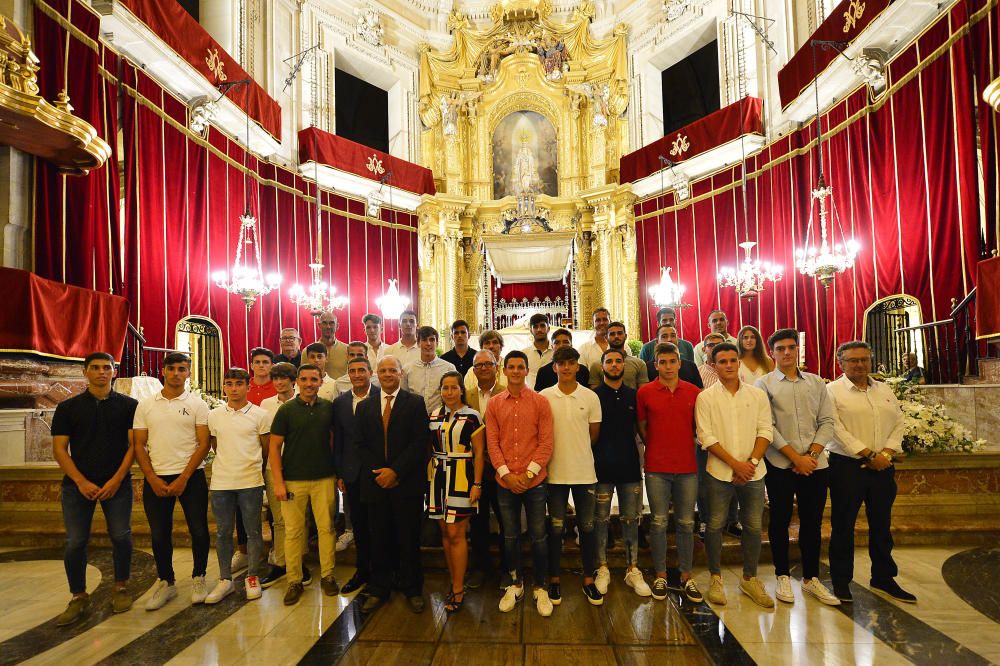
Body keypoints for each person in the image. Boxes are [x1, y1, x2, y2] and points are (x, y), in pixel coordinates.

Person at [52, 352, 138, 625]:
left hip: (118, 484)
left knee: (121, 536)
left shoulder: (129, 406)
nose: (102, 372)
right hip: (78, 485)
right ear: (85, 372)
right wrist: (80, 481)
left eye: (107, 368)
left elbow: (134, 446)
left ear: (113, 371)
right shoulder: (68, 408)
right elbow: (59, 449)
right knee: (76, 542)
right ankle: (78, 595)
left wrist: (116, 479)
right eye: (96, 368)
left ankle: (121, 587)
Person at [756, 329, 840, 606]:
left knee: (812, 521)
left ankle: (811, 578)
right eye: (781, 348)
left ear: (798, 350)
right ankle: (781, 574)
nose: (787, 353)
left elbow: (827, 421)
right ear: (772, 352)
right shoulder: (764, 384)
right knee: (779, 520)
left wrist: (812, 454)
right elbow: (767, 425)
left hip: (816, 464)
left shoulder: (816, 383)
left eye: (792, 347)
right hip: (781, 463)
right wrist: (795, 457)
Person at [827, 341, 914, 604]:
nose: (860, 364)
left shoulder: (884, 389)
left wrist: (886, 453)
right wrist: (867, 454)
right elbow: (835, 428)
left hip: (883, 467)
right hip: (847, 467)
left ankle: (883, 577)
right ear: (841, 363)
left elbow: (898, 422)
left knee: (881, 524)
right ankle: (841, 581)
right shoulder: (831, 392)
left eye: (864, 359)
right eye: (853, 360)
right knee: (843, 526)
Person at [696, 342, 775, 609]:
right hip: (719, 472)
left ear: (738, 362)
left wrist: (750, 463)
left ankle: (749, 578)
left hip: (753, 472)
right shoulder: (705, 397)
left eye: (732, 360)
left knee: (752, 526)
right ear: (714, 365)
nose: (728, 365)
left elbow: (765, 431)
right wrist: (735, 465)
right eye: (722, 361)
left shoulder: (757, 395)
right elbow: (706, 436)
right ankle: (716, 577)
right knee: (715, 525)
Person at [133, 352, 211, 610]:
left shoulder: (198, 404)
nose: (177, 373)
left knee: (198, 530)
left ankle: (199, 576)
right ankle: (166, 581)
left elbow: (204, 443)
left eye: (182, 369)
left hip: (191, 476)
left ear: (188, 373)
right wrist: (152, 477)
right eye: (172, 368)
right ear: (164, 372)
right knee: (158, 534)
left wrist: (185, 477)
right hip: (157, 476)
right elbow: (139, 445)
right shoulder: (146, 404)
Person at [355, 356, 430, 614]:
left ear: (400, 373)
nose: (387, 374)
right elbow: (360, 445)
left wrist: (395, 471)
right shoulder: (364, 407)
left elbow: (420, 443)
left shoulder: (415, 403)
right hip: (376, 483)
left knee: (408, 537)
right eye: (383, 371)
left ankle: (412, 588)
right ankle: (379, 587)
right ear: (377, 374)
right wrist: (381, 472)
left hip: (405, 482)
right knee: (379, 537)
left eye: (392, 370)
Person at [486, 350, 555, 617]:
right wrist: (507, 475)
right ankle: (515, 583)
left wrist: (526, 476)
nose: (515, 371)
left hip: (534, 481)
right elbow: (492, 444)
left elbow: (546, 443)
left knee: (538, 536)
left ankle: (541, 585)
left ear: (527, 371)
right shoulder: (494, 404)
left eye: (520, 367)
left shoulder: (540, 402)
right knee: (510, 535)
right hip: (505, 481)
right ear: (504, 370)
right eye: (511, 367)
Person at [268, 364, 339, 606]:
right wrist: (278, 482)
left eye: (314, 379)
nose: (309, 383)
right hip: (293, 480)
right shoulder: (286, 410)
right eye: (305, 379)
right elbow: (274, 448)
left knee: (326, 528)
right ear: (297, 381)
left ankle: (328, 575)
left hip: (324, 478)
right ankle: (294, 580)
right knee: (294, 532)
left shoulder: (328, 408)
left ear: (321, 382)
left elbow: (333, 441)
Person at [637, 343, 703, 603]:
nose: (667, 367)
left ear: (679, 363)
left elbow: (698, 426)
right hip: (656, 467)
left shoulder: (694, 392)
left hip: (687, 466)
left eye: (671, 362)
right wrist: (657, 445)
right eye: (662, 362)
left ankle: (686, 574)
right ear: (655, 365)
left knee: (687, 523)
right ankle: (661, 573)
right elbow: (642, 426)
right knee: (659, 522)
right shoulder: (645, 393)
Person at [539, 346, 604, 607]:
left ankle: (588, 579)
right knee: (555, 529)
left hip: (584, 472)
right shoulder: (544, 396)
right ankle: (554, 579)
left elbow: (594, 435)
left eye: (570, 363)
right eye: (560, 363)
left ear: (578, 366)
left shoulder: (590, 397)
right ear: (554, 367)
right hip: (554, 473)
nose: (565, 367)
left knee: (587, 528)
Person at [204, 368, 270, 603]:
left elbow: (265, 448)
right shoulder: (214, 415)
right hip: (222, 482)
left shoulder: (260, 415)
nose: (234, 388)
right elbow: (214, 445)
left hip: (250, 480)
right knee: (222, 532)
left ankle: (252, 576)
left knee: (252, 531)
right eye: (229, 384)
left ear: (247, 386)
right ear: (224, 387)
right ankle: (225, 579)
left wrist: (249, 465)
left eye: (238, 384)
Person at [592, 349, 650, 598]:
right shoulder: (593, 396)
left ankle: (632, 568)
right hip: (600, 467)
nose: (614, 365)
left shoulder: (634, 395)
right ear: (602, 365)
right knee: (601, 520)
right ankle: (602, 567)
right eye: (609, 361)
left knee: (630, 519)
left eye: (618, 361)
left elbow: (643, 430)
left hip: (629, 466)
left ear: (624, 366)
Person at [428, 371, 486, 612]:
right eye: (445, 388)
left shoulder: (472, 416)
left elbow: (480, 453)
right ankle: (454, 581)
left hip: (462, 476)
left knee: (456, 532)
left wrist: (477, 484)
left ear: (461, 389)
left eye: (453, 387)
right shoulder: (434, 415)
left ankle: (459, 588)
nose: (449, 392)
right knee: (444, 531)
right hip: (438, 476)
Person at [259, 362, 309, 589]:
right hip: (273, 467)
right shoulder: (265, 404)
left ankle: (299, 562)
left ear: (293, 380)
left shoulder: (303, 401)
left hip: (299, 467)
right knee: (278, 519)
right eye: (275, 378)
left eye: (283, 378)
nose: (278, 382)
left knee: (299, 518)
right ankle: (281, 563)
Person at [333, 356, 376, 595]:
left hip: (379, 472)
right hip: (352, 473)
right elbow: (338, 440)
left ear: (371, 372)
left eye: (362, 370)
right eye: (353, 371)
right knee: (358, 525)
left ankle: (384, 570)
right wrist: (340, 472)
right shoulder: (340, 403)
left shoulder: (382, 395)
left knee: (380, 525)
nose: (358, 375)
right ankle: (362, 571)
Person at [402, 326, 457, 414]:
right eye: (424, 340)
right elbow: (403, 397)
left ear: (437, 343)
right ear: (418, 343)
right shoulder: (407, 369)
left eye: (432, 340)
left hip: (441, 418)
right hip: (414, 418)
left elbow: (454, 396)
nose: (428, 343)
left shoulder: (449, 368)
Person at [587, 321, 649, 390]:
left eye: (619, 333)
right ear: (606, 337)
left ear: (625, 336)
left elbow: (643, 393)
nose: (616, 336)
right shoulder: (597, 365)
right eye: (612, 334)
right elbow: (595, 395)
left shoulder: (639, 364)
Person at [521, 313, 553, 389]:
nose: (539, 330)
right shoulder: (524, 354)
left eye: (542, 326)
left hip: (554, 396)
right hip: (531, 397)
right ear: (531, 330)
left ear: (548, 328)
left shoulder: (556, 352)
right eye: (535, 327)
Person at [318, 312, 350, 380]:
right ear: (319, 326)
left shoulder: (347, 349)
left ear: (337, 326)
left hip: (342, 390)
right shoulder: (308, 351)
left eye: (332, 323)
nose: (328, 327)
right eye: (324, 323)